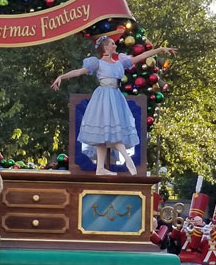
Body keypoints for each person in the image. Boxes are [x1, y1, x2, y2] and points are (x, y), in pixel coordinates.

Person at [51, 36, 176, 175]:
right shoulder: (97, 63)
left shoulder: (119, 63)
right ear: (105, 47)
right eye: (112, 44)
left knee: (111, 131)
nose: (115, 46)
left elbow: (141, 56)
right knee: (105, 131)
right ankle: (126, 160)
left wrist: (160, 49)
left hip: (116, 97)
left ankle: (100, 168)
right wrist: (61, 77)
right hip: (103, 97)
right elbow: (79, 71)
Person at [169, 176, 207, 265]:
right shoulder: (185, 228)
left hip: (196, 258)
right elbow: (173, 237)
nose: (191, 220)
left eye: (194, 219)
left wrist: (198, 228)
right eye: (191, 218)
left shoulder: (204, 230)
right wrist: (179, 227)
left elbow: (201, 244)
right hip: (184, 257)